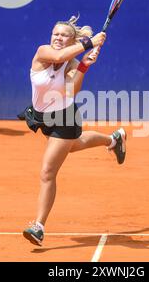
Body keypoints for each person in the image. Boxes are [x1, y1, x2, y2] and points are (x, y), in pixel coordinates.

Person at [21, 15, 127, 246]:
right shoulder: (43, 52)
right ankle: (113, 139)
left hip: (64, 118)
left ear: (71, 41)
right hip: (42, 116)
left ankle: (38, 226)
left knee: (48, 171)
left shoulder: (70, 64)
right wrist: (90, 43)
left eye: (63, 35)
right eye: (55, 34)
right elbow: (58, 56)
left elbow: (71, 90)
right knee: (73, 145)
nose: (58, 38)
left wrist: (84, 65)